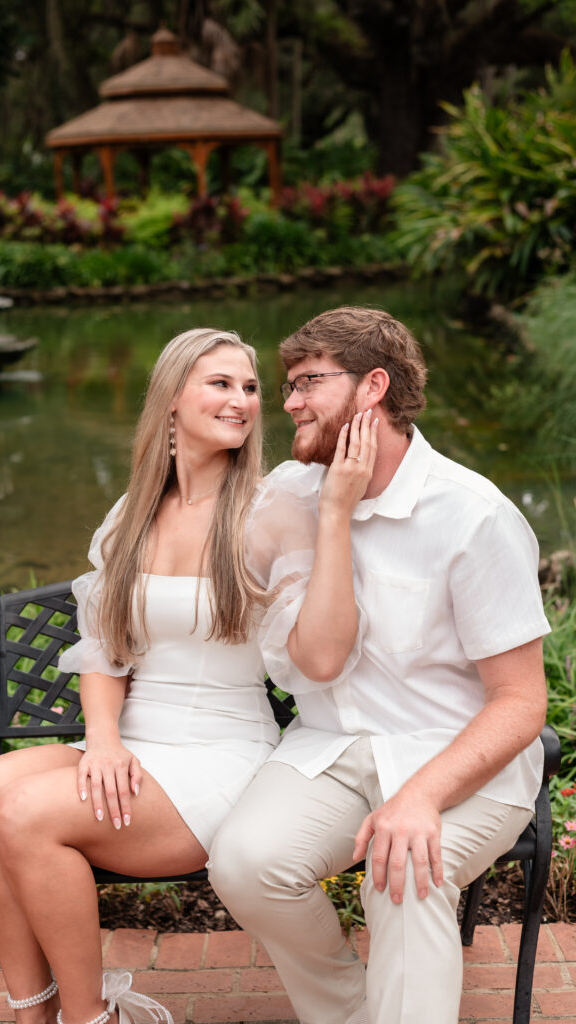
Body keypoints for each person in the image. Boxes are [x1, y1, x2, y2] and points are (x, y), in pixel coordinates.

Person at [0, 327, 378, 1024]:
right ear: (171, 398)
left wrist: (333, 511)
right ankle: (35, 1011)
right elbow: (102, 650)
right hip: (131, 747)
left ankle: (92, 1018)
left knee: (26, 813)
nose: (241, 400)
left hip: (217, 756)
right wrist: (105, 739)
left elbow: (322, 652)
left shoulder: (272, 510)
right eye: (220, 383)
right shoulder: (131, 515)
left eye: (248, 388)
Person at [208, 306, 550, 1024]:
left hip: (457, 756)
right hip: (333, 745)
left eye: (307, 383)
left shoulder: (470, 515)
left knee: (405, 874)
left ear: (371, 387)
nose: (289, 403)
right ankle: (355, 1013)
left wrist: (421, 796)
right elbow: (192, 554)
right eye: (288, 386)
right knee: (244, 863)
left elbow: (519, 703)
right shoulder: (291, 495)